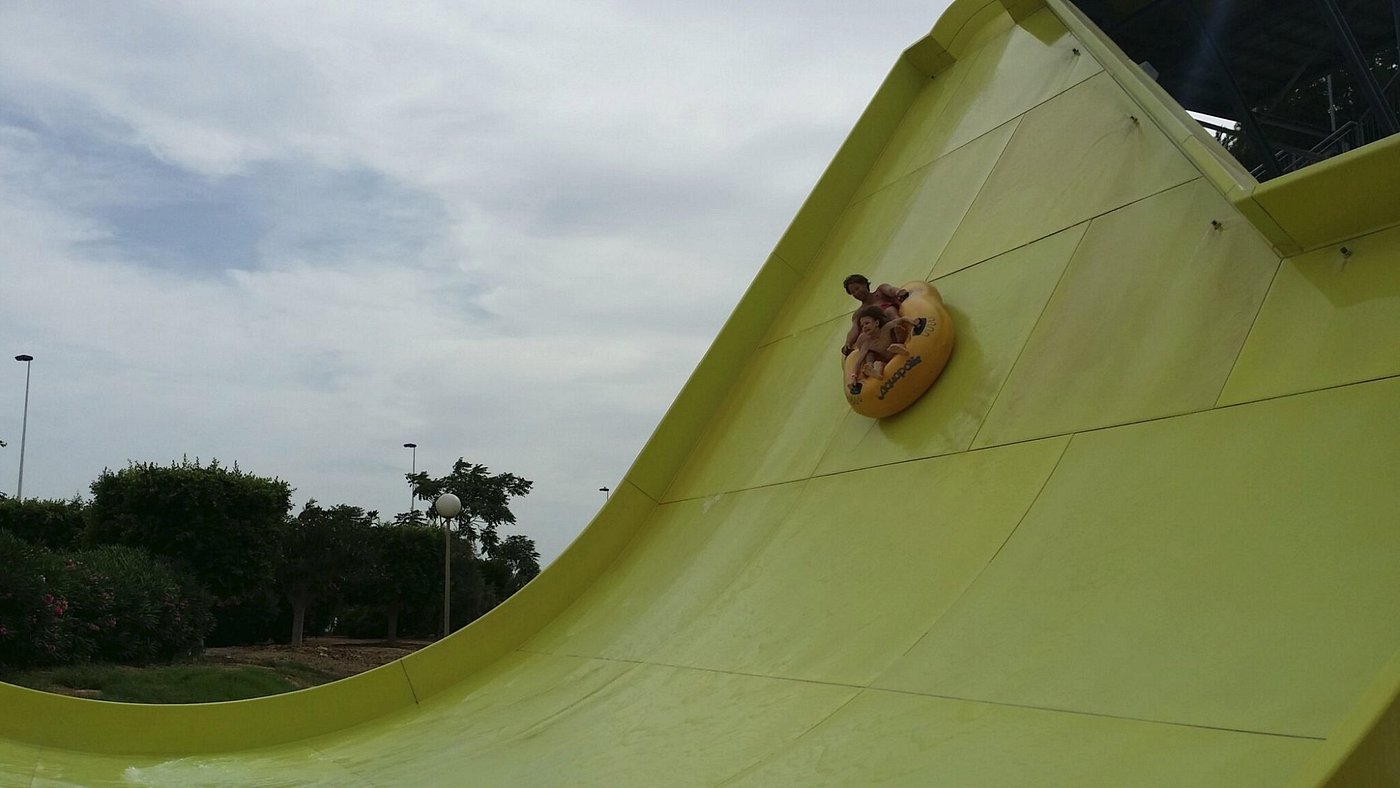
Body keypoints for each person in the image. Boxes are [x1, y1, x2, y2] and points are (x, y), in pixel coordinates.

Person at [841, 274, 909, 356]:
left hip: (893, 324)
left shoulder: (880, 292)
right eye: (853, 292)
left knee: (889, 311)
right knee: (864, 336)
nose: (856, 293)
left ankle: (901, 330)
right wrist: (848, 343)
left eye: (857, 288)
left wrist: (899, 292)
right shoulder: (859, 313)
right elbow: (854, 329)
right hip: (881, 338)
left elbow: (891, 290)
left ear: (864, 284)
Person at [847, 305, 914, 385]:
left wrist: (914, 322)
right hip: (886, 360)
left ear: (877, 323)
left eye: (867, 323)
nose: (864, 327)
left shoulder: (886, 328)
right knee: (877, 362)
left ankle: (900, 347)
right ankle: (875, 372)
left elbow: (902, 319)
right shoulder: (867, 343)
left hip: (896, 348)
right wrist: (853, 376)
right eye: (862, 326)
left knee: (897, 330)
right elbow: (858, 362)